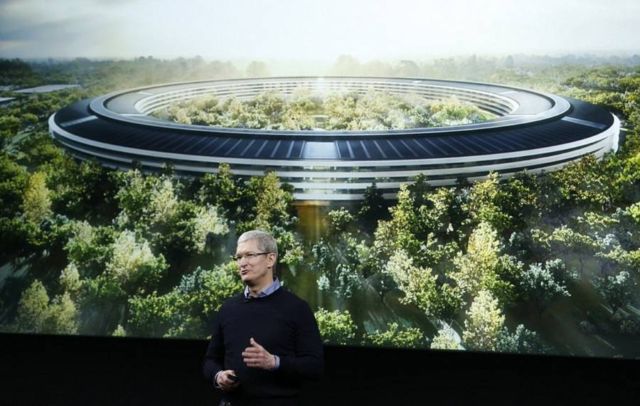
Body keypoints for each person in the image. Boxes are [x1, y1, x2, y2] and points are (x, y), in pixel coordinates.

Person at [203, 230, 324, 406]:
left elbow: (315, 366)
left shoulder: (297, 308)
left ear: (270, 259)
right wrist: (218, 376)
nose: (242, 263)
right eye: (239, 257)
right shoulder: (228, 309)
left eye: (250, 255)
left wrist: (274, 362)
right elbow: (210, 360)